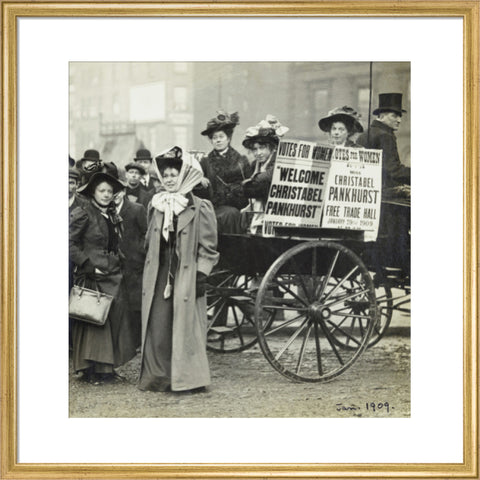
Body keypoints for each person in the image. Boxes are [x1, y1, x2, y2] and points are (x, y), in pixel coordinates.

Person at [138, 146, 219, 393]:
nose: (170, 179)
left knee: (186, 328)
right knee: (159, 325)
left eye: (175, 174)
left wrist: (201, 274)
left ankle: (189, 379)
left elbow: (209, 247)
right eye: (167, 176)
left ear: (184, 175)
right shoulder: (157, 204)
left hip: (187, 275)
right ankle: (159, 377)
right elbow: (148, 240)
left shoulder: (199, 206)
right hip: (160, 273)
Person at [69, 172, 137, 384]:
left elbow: (114, 244)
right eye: (102, 191)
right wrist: (87, 265)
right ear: (93, 192)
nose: (106, 195)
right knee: (95, 321)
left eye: (110, 191)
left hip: (112, 272)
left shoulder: (113, 215)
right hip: (93, 274)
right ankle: (91, 370)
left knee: (113, 319)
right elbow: (68, 243)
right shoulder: (83, 213)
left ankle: (107, 368)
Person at [198, 111, 252, 234]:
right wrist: (199, 180)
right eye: (214, 138)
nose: (218, 140)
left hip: (236, 208)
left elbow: (248, 188)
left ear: (228, 138)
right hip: (212, 208)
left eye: (221, 137)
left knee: (230, 215)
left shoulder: (241, 161)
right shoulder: (205, 162)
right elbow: (199, 191)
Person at [241, 115, 289, 234]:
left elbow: (259, 183)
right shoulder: (254, 165)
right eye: (254, 149)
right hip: (259, 212)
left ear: (272, 147)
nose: (258, 153)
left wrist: (246, 186)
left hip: (278, 214)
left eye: (262, 148)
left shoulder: (278, 162)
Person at [356, 93, 411, 197]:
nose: (399, 120)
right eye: (394, 116)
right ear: (381, 116)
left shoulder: (367, 133)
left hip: (365, 192)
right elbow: (393, 171)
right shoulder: (384, 135)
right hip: (382, 196)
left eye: (400, 116)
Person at [113, 185, 147, 348]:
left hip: (134, 263)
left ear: (124, 192)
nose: (114, 195)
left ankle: (136, 340)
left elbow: (145, 233)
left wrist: (139, 252)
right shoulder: (105, 210)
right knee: (118, 301)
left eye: (117, 192)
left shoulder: (136, 209)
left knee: (135, 303)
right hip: (114, 263)